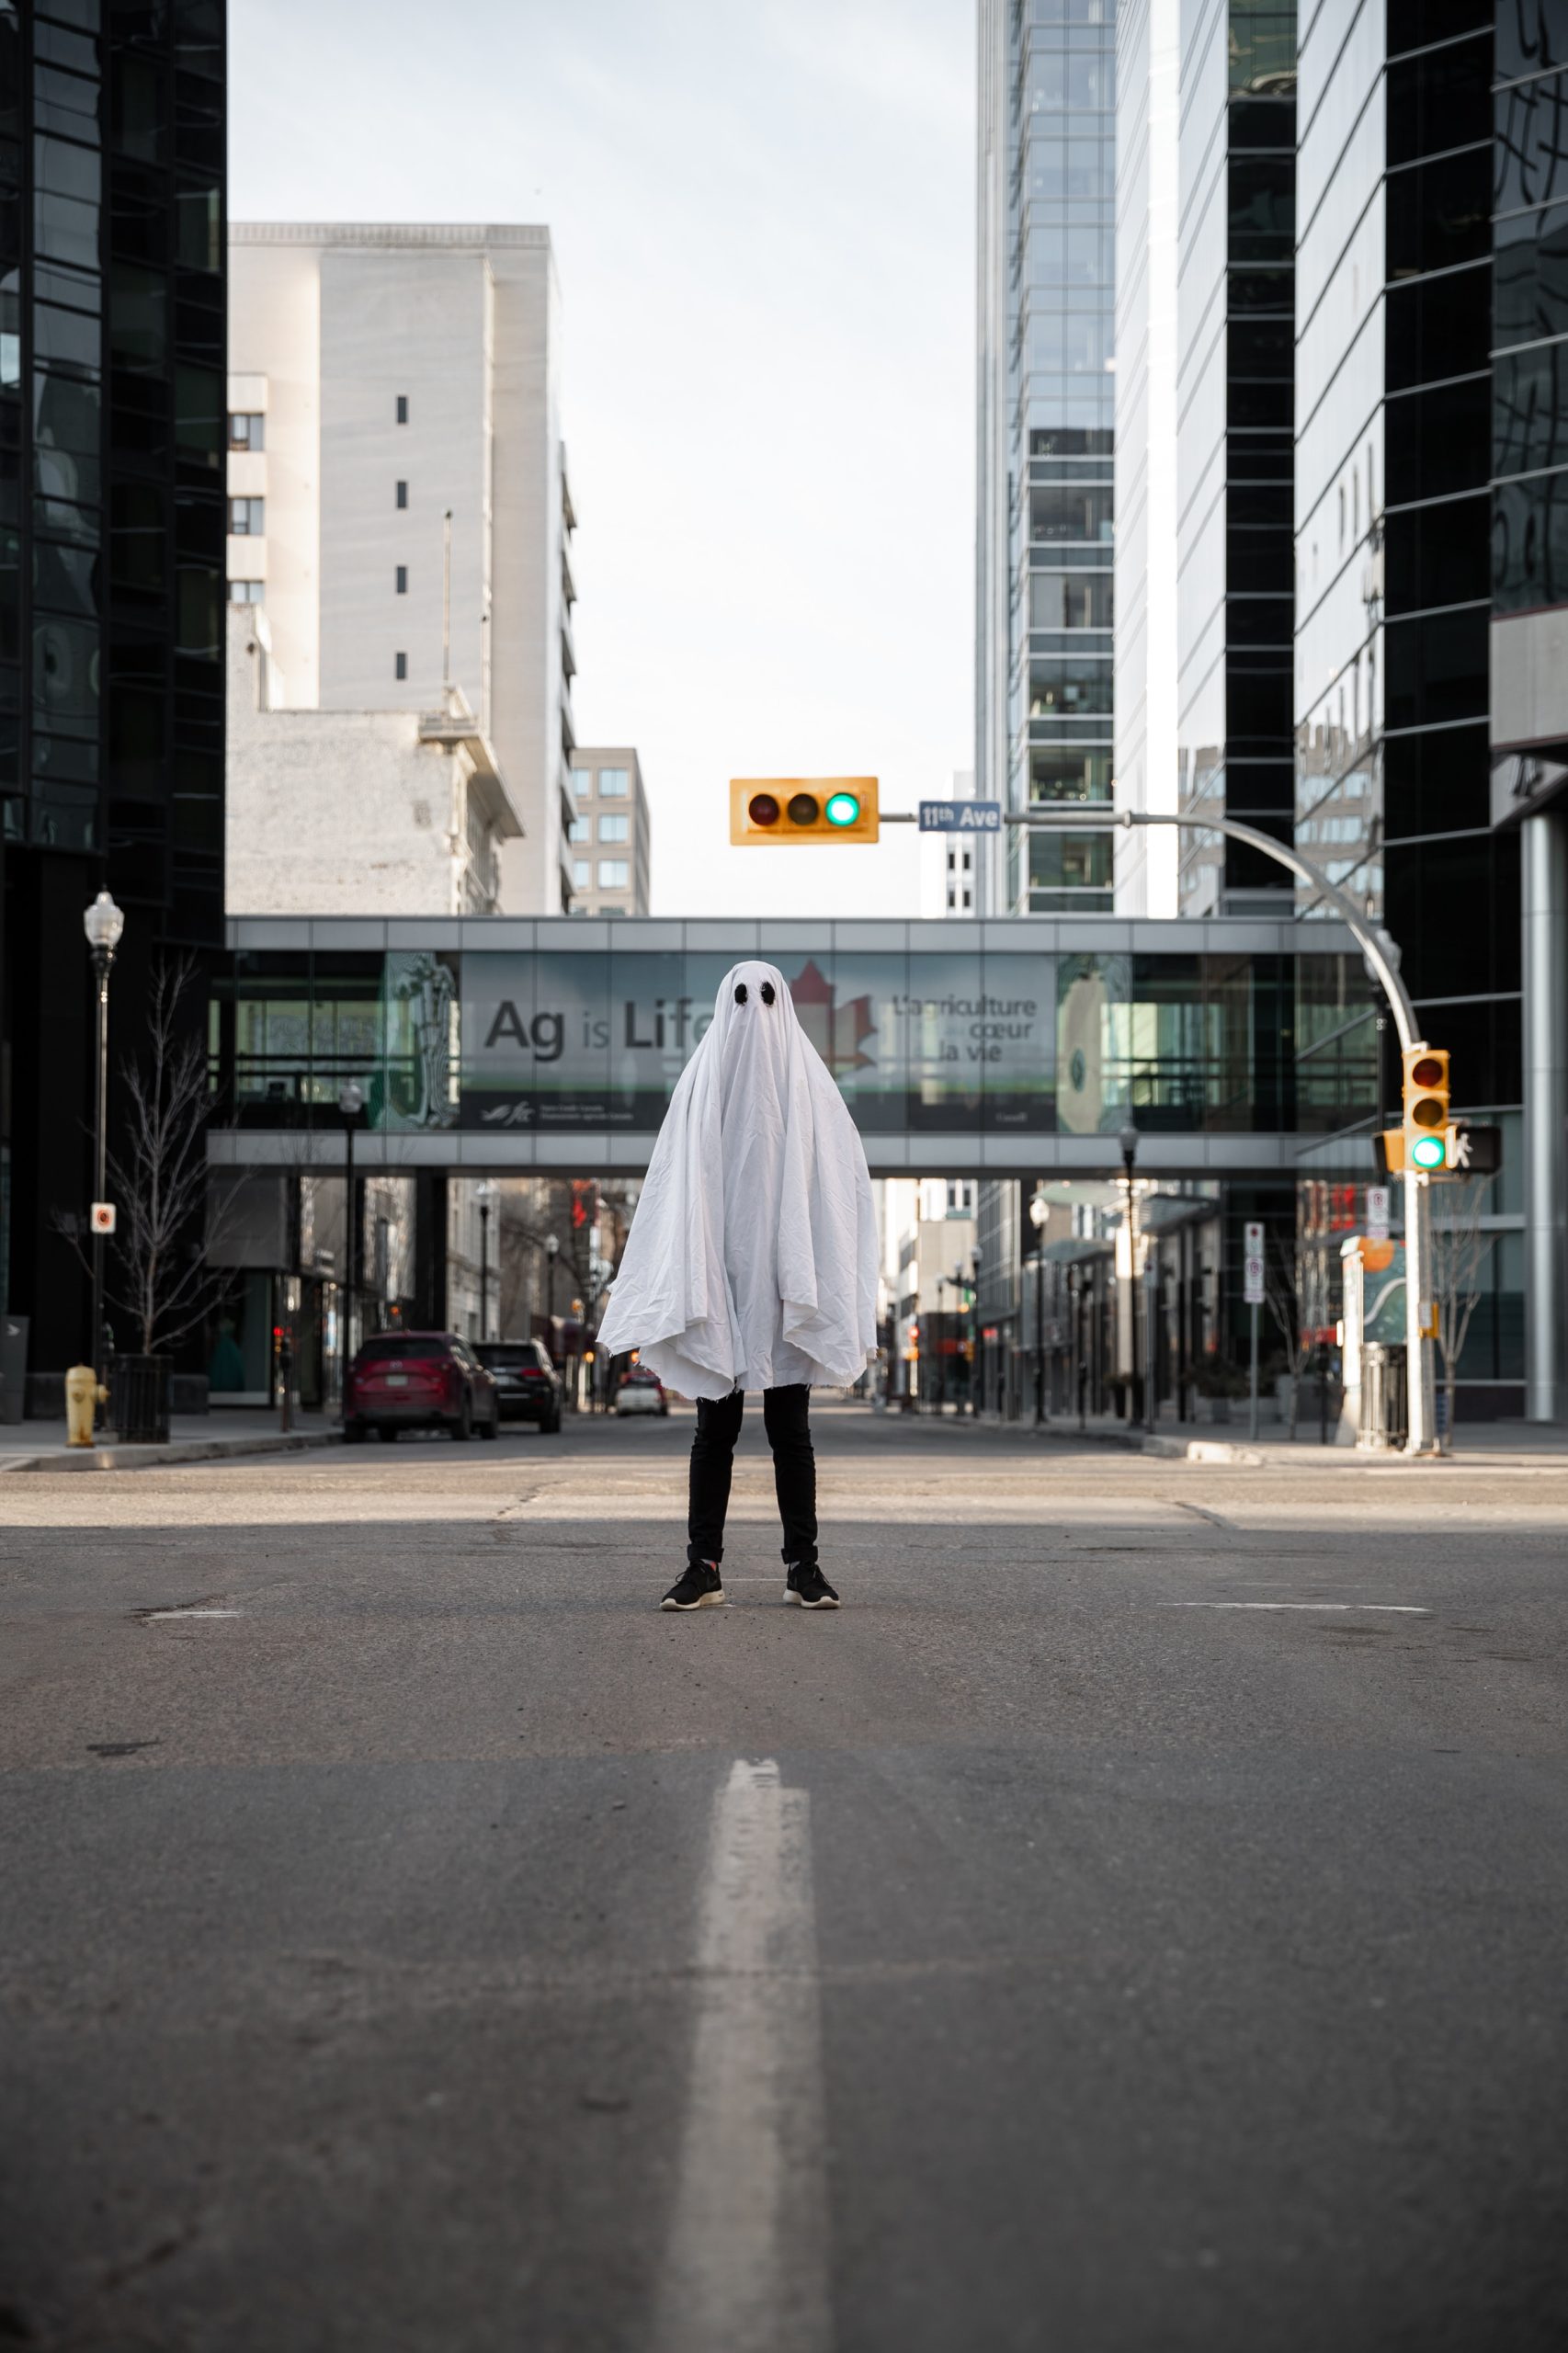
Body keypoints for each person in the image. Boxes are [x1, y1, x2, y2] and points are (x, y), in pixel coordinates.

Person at [597, 959, 877, 1611]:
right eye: (743, 997)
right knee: (713, 1434)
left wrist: (815, 1277)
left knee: (791, 1433)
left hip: (785, 1289)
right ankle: (704, 1566)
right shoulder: (701, 1089)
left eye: (768, 996)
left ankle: (803, 1566)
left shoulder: (810, 1090)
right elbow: (675, 1185)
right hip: (719, 1288)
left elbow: (840, 1187)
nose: (755, 1010)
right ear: (726, 1006)